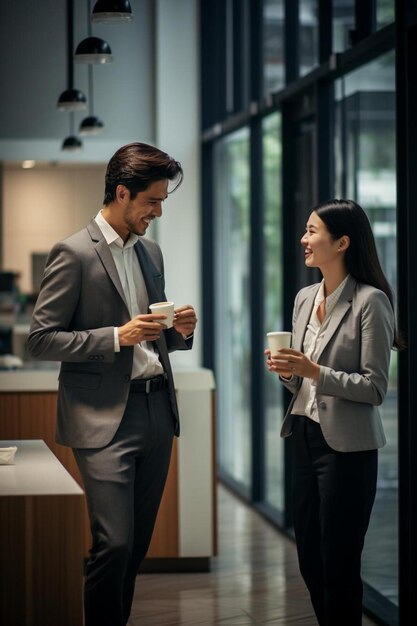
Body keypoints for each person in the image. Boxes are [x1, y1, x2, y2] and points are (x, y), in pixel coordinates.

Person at [27, 142, 197, 626]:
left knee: (136, 547)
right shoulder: (74, 252)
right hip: (103, 419)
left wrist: (180, 331)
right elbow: (40, 340)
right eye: (152, 201)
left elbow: (156, 337)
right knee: (114, 544)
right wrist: (115, 337)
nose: (158, 212)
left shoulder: (151, 253)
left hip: (157, 411)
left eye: (163, 201)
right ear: (122, 193)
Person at [265, 199, 402, 626]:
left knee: (339, 563)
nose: (303, 240)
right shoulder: (305, 297)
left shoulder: (370, 302)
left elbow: (375, 387)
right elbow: (301, 382)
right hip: (305, 436)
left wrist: (314, 371)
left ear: (342, 242)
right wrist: (288, 372)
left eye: (312, 232)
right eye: (305, 230)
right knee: (309, 556)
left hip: (348, 448)